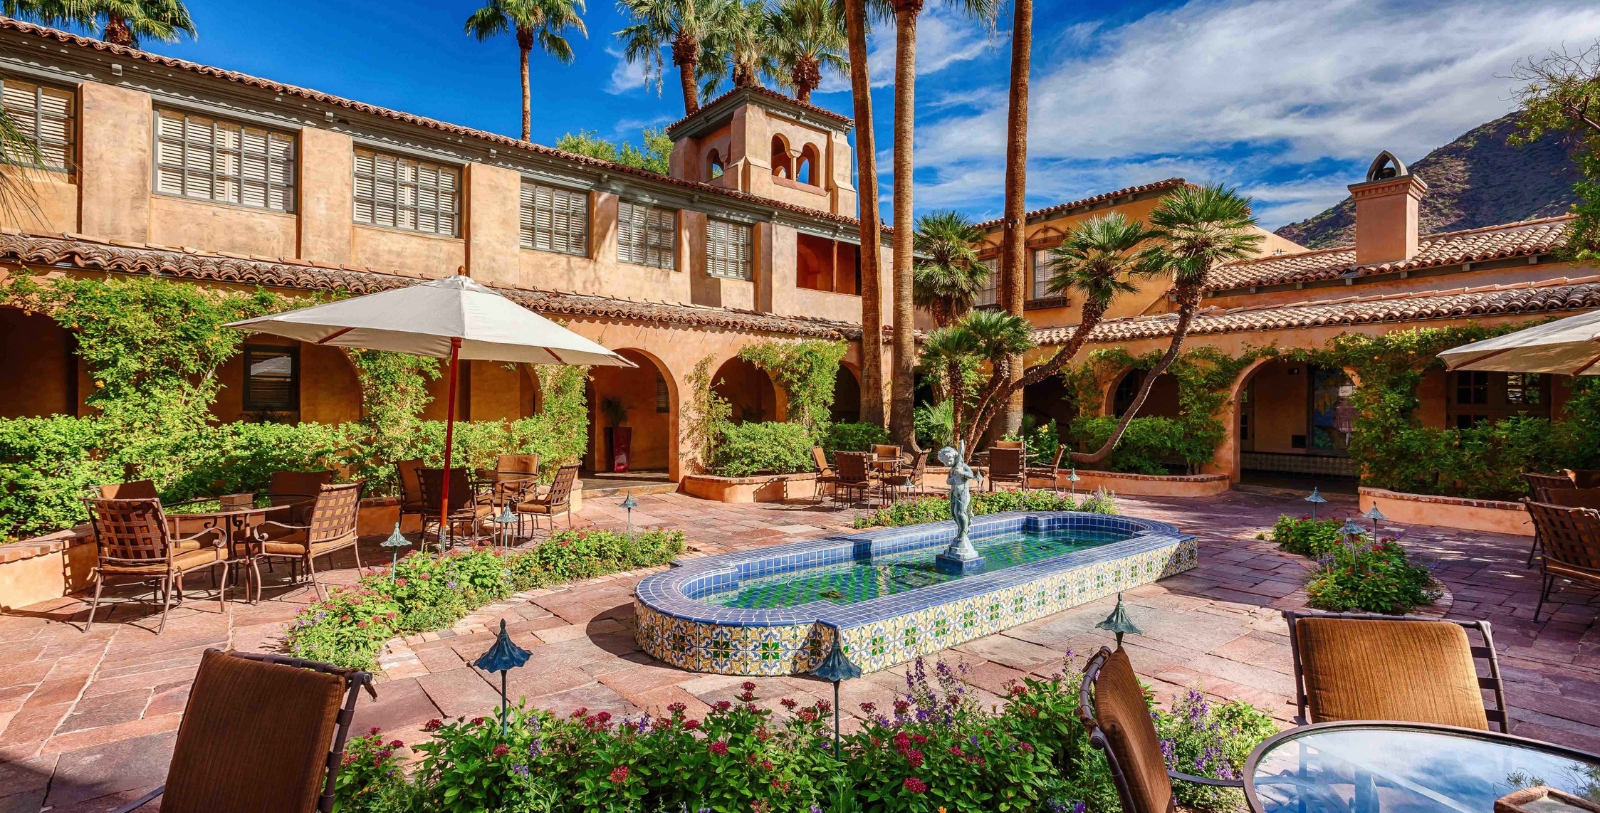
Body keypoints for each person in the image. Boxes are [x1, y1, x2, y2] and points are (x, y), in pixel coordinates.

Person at [939, 440, 982, 557]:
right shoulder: (952, 470)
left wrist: (962, 472)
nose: (947, 463)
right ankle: (960, 531)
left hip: (963, 493)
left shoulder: (962, 466)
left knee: (960, 512)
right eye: (945, 462)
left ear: (954, 457)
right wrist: (950, 480)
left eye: (949, 461)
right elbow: (948, 480)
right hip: (954, 493)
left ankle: (963, 533)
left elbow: (971, 475)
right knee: (954, 513)